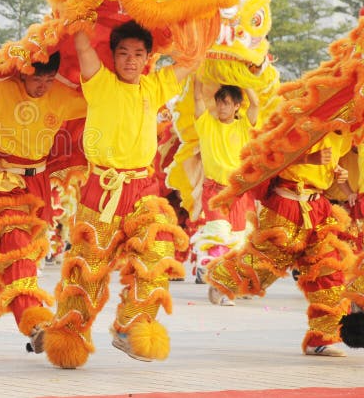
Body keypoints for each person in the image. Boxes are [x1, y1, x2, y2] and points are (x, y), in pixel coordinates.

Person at [43, 20, 192, 369]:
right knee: (88, 273)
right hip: (102, 193)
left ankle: (131, 326)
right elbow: (82, 48)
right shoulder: (100, 83)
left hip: (143, 190)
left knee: (157, 253)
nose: (130, 59)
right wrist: (77, 10)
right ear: (112, 56)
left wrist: (206, 14)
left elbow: (191, 61)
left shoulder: (154, 87)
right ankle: (69, 338)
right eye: (123, 53)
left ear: (147, 58)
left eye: (138, 54)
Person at [0, 51, 87, 351]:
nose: (42, 86)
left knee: (26, 253)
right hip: (4, 181)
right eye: (35, 78)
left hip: (39, 185)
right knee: (18, 254)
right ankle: (34, 323)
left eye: (47, 78)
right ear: (22, 73)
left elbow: (97, 102)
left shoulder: (61, 95)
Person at [207, 130, 355, 357]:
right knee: (265, 264)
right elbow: (271, 157)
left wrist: (337, 173)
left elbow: (327, 169)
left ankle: (321, 339)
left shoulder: (343, 136)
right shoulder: (303, 120)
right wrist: (309, 159)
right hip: (285, 204)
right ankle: (222, 280)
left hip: (319, 208)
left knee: (328, 272)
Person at [191, 80, 259, 287]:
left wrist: (241, 76)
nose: (221, 107)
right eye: (219, 103)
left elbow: (255, 104)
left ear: (237, 105)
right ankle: (219, 281)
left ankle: (228, 278)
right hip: (214, 191)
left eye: (227, 103)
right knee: (219, 233)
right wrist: (198, 75)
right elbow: (197, 98)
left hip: (239, 193)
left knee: (237, 241)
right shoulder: (206, 123)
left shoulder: (244, 125)